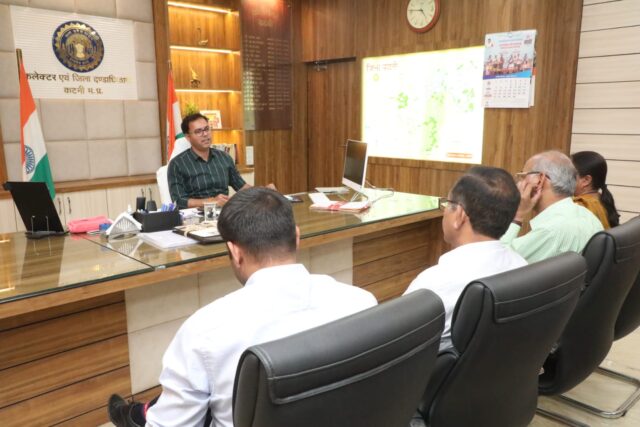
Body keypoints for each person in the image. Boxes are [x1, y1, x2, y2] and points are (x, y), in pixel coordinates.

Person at [108, 187, 377, 427]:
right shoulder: (362, 302)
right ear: (296, 237)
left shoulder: (204, 331)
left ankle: (139, 415)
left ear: (235, 252)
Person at [404, 166, 527, 351]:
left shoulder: (434, 284)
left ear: (460, 215)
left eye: (447, 204)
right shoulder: (521, 266)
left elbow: (392, 343)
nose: (445, 211)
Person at [501, 150, 604, 263]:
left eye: (523, 176)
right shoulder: (589, 216)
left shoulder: (550, 231)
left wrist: (517, 215)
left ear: (540, 180)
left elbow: (498, 263)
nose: (519, 183)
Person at [168, 113, 250, 209]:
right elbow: (178, 201)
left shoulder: (224, 157)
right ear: (188, 137)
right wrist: (212, 202)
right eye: (198, 131)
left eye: (207, 129)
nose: (205, 134)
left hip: (224, 212)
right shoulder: (177, 164)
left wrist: (261, 192)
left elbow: (242, 187)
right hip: (195, 215)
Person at [571, 151, 620, 229]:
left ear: (586, 180)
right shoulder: (601, 198)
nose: (564, 178)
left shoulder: (579, 206)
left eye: (568, 174)